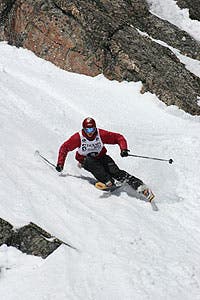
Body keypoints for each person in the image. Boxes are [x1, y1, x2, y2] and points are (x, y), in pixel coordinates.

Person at [56, 117, 154, 201]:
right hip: (85, 160)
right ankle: (107, 181)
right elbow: (64, 148)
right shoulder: (78, 137)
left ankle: (140, 186)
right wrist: (60, 164)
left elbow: (118, 137)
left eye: (92, 129)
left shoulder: (100, 134)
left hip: (101, 157)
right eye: (87, 130)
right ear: (84, 129)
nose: (90, 132)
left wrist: (123, 149)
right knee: (93, 165)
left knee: (116, 171)